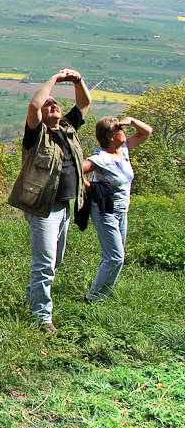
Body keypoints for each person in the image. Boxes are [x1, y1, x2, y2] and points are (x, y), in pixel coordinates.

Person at [8, 68, 91, 331]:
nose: (52, 104)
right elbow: (34, 105)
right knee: (45, 264)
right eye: (49, 104)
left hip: (65, 206)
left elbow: (85, 103)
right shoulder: (36, 135)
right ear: (42, 115)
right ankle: (42, 317)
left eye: (55, 102)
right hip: (43, 209)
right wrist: (55, 79)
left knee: (54, 261)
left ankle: (32, 297)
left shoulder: (67, 128)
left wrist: (78, 81)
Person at [82, 116, 152, 301]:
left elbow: (147, 132)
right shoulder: (100, 158)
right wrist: (92, 188)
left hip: (122, 211)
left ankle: (100, 295)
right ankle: (93, 298)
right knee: (115, 257)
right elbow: (75, 171)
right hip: (105, 210)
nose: (125, 131)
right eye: (120, 129)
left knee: (115, 257)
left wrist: (131, 120)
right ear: (111, 135)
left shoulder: (123, 150)